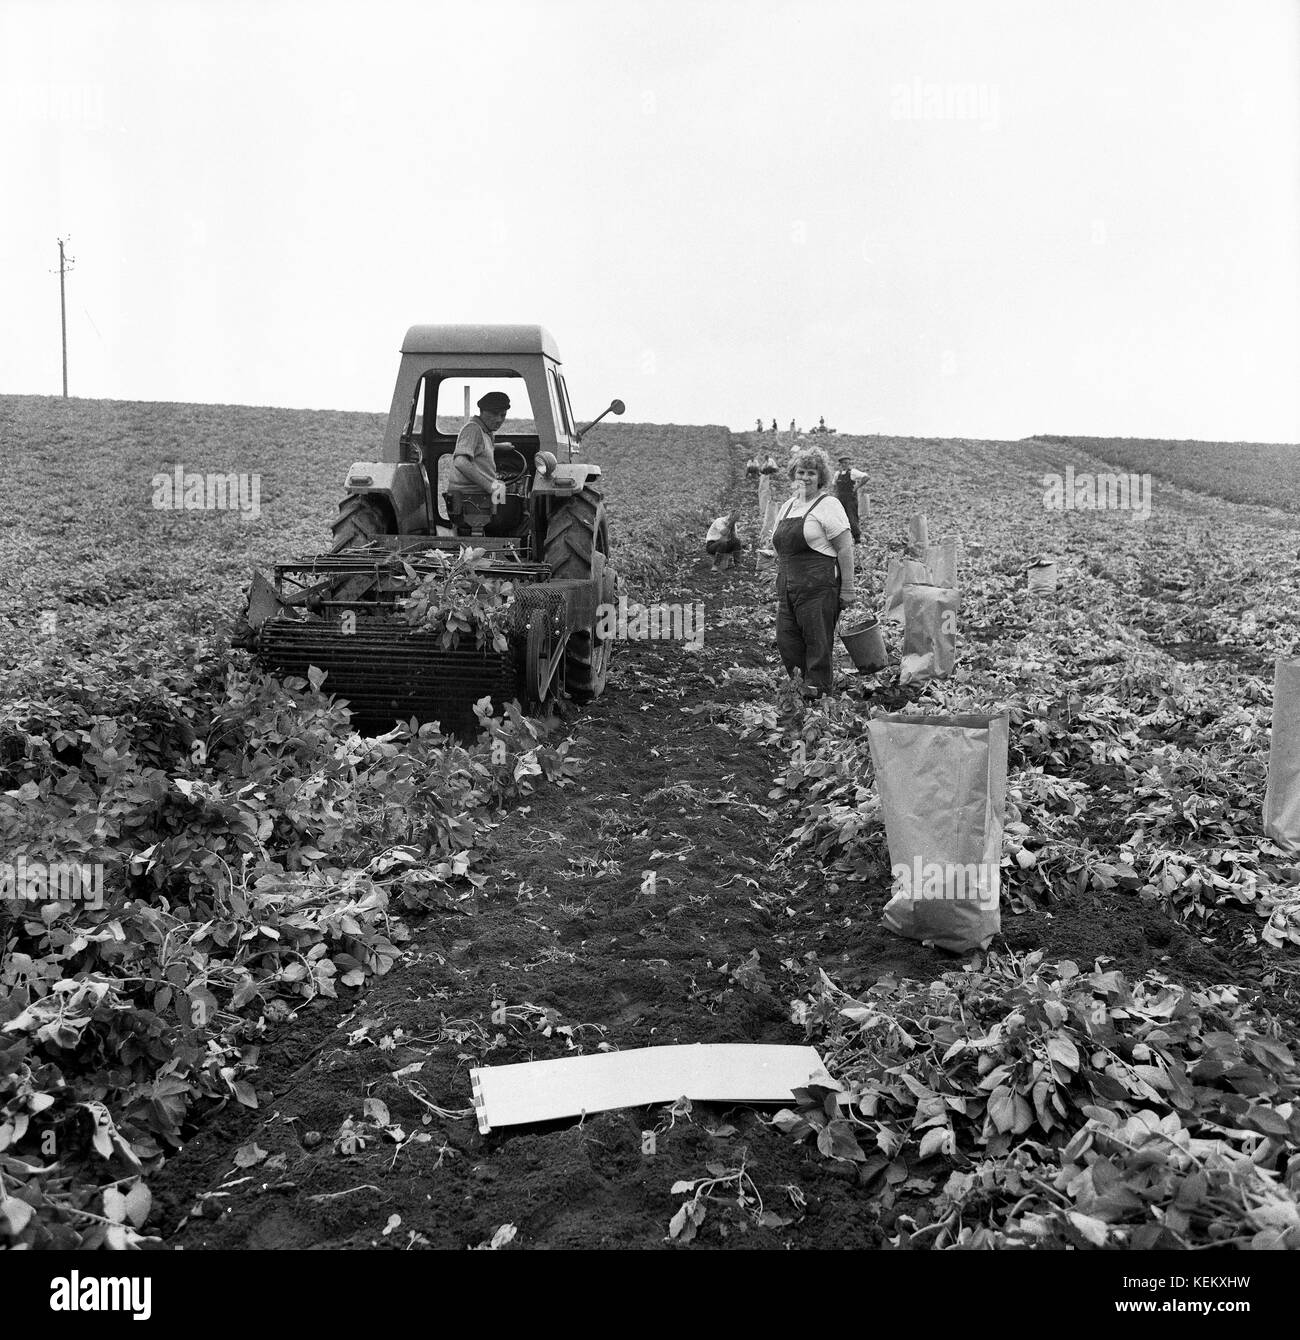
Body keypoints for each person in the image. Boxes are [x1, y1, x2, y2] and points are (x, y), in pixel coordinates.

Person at [772, 446, 855, 696]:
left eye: (811, 473)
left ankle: (818, 697)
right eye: (801, 472)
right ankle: (800, 686)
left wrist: (848, 588)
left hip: (818, 588)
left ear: (821, 478)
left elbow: (845, 548)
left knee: (817, 644)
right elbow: (781, 545)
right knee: (786, 640)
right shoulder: (787, 506)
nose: (805, 477)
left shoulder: (828, 505)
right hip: (788, 587)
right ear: (793, 475)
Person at [447, 391, 510, 492]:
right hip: (469, 497)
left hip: (479, 494)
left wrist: (499, 446)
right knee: (509, 501)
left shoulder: (485, 431)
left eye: (503, 415)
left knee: (506, 494)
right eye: (494, 414)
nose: (499, 419)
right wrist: (489, 486)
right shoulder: (472, 429)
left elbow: (480, 449)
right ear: (482, 411)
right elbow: (460, 462)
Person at [832, 454, 869, 543]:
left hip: (850, 499)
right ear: (840, 464)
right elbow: (834, 485)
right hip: (840, 499)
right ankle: (842, 539)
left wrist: (857, 486)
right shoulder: (837, 474)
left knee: (852, 518)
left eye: (847, 463)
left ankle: (857, 538)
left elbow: (866, 477)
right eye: (843, 463)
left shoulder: (853, 472)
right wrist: (835, 496)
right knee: (839, 518)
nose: (845, 465)